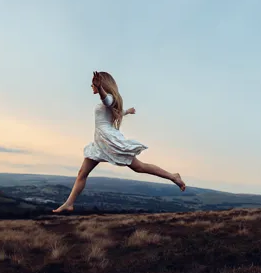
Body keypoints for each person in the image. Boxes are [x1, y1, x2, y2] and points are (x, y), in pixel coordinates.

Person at [53, 71, 186, 213]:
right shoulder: (110, 102)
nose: (91, 85)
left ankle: (173, 177)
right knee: (82, 173)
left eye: (94, 84)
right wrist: (127, 111)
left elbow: (107, 101)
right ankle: (69, 203)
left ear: (101, 84)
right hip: (99, 143)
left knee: (139, 167)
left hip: (109, 140)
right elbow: (115, 111)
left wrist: (101, 91)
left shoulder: (108, 97)